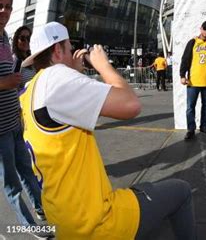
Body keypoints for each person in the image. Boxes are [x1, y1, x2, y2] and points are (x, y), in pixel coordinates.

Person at [20, 22, 196, 239]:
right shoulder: (56, 78)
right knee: (181, 191)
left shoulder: (30, 90)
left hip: (62, 219)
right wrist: (102, 65)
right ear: (57, 50)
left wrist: (74, 71)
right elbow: (131, 105)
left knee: (145, 192)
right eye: (68, 47)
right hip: (95, 223)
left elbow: (63, 107)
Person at [0, 0, 48, 236]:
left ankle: (44, 210)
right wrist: (4, 83)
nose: (4, 11)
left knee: (28, 173)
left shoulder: (4, 37)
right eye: (0, 5)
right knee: (12, 184)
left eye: (8, 7)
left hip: (15, 122)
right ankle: (30, 227)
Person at [12, 25, 36, 91]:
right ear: (16, 40)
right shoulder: (15, 60)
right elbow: (13, 87)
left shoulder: (33, 59)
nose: (26, 41)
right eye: (22, 38)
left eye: (28, 38)